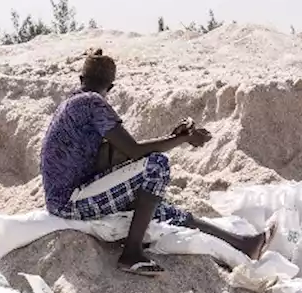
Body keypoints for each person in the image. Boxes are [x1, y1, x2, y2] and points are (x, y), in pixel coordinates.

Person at [40, 48, 272, 277]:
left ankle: (242, 244)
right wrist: (182, 139)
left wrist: (173, 137)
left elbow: (116, 155)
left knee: (157, 206)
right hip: (70, 202)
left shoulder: (73, 103)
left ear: (82, 79)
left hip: (68, 196)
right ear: (110, 87)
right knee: (156, 166)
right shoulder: (92, 103)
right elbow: (133, 151)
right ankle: (131, 254)